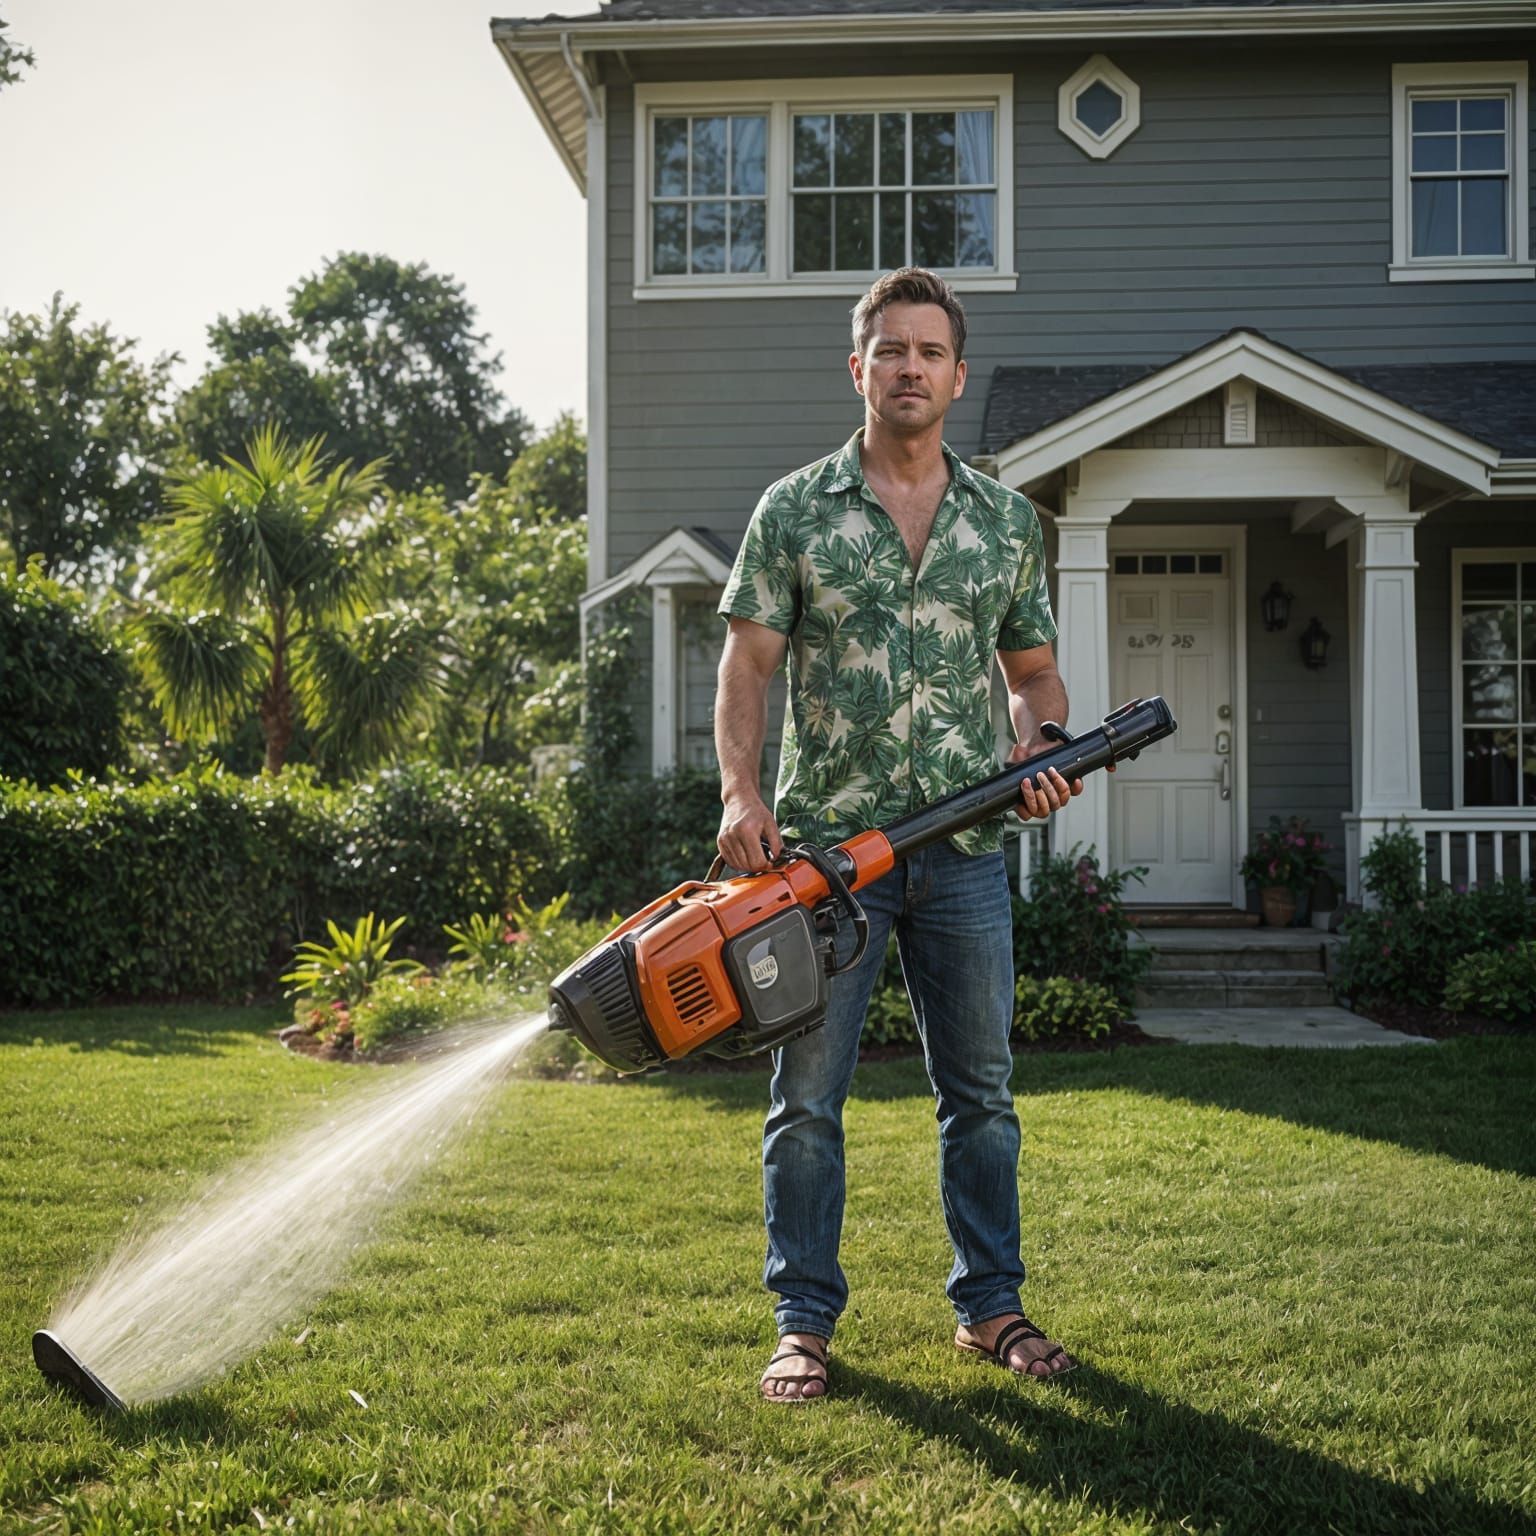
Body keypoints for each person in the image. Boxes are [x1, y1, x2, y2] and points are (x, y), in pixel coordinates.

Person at [714, 267, 1088, 1404]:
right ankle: (802, 1325)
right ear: (860, 367)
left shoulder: (1006, 521)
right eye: (892, 349)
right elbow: (746, 665)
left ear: (958, 375)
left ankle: (991, 1308)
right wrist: (739, 794)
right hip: (825, 865)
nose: (911, 367)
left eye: (930, 351)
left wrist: (1045, 742)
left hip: (966, 854)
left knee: (980, 1093)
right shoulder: (793, 509)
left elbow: (1032, 677)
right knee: (806, 1099)